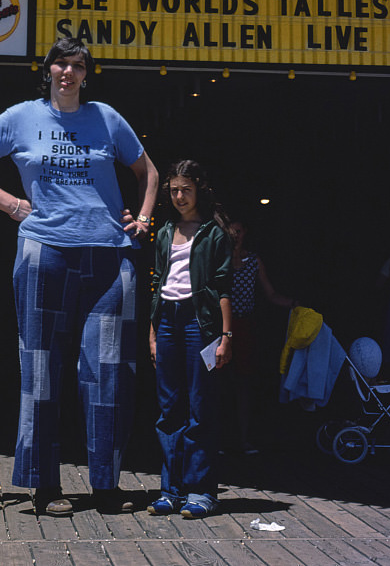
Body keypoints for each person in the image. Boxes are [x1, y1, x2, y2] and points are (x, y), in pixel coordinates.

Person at [0, 37, 159, 516]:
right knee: (42, 368)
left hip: (109, 255)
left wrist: (144, 219)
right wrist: (12, 205)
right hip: (44, 253)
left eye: (77, 65)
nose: (68, 72)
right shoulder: (21, 117)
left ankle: (105, 486)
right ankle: (45, 487)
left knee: (108, 373)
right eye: (60, 64)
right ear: (47, 71)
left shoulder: (107, 118)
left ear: (88, 73)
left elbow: (148, 171)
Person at [148, 159, 232, 519]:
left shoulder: (214, 233)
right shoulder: (165, 231)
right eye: (174, 190)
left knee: (200, 406)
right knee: (169, 409)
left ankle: (201, 490)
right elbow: (156, 283)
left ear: (199, 189)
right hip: (167, 319)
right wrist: (151, 331)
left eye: (186, 189)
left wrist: (226, 335)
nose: (179, 196)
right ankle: (171, 490)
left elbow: (223, 287)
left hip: (201, 323)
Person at [226, 218, 296, 454]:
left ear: (245, 232)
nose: (235, 235)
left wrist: (296, 305)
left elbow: (271, 294)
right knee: (217, 384)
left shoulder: (254, 261)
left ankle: (243, 439)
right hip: (220, 327)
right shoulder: (218, 258)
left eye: (238, 230)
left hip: (243, 327)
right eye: (231, 231)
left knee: (243, 384)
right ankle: (216, 440)